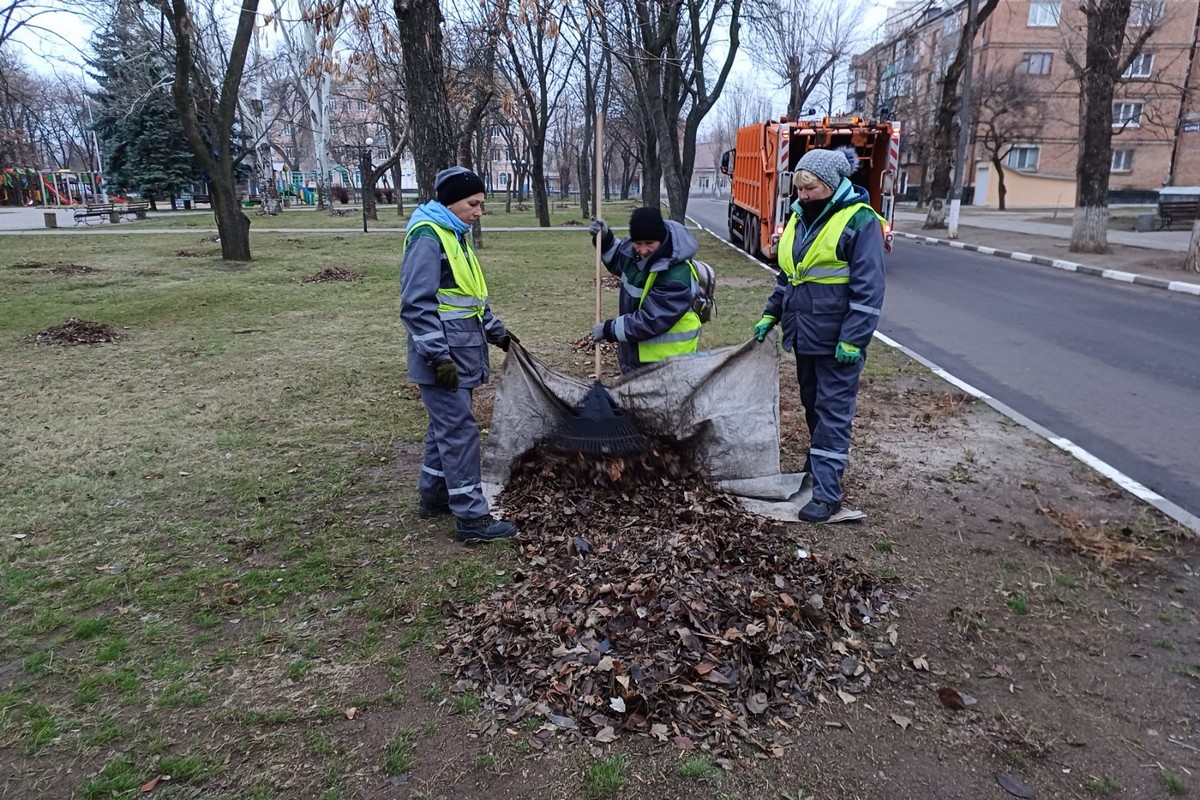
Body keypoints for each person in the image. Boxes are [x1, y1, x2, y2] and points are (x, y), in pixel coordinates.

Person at [753, 146, 886, 523]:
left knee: (833, 414)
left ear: (831, 184)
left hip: (838, 341)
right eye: (799, 189)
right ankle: (818, 467)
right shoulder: (798, 218)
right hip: (804, 335)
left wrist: (854, 338)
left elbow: (869, 289)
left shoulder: (861, 222)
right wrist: (770, 314)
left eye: (810, 189)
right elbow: (789, 277)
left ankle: (827, 493)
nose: (803, 196)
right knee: (814, 408)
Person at [400, 166, 518, 544]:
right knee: (461, 432)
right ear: (451, 202)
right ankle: (471, 518)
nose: (479, 211)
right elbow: (416, 305)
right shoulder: (428, 236)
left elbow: (469, 299)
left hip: (462, 351)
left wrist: (498, 333)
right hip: (443, 357)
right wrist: (439, 358)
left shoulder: (455, 235)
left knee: (445, 428)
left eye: (481, 203)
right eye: (474, 203)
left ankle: (434, 497)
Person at [587, 206, 704, 373]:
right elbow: (618, 258)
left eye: (649, 243)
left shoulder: (677, 274)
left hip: (668, 363)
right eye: (638, 243)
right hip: (635, 357)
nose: (642, 250)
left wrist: (609, 329)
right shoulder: (633, 254)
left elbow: (651, 320)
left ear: (661, 239)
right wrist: (605, 239)